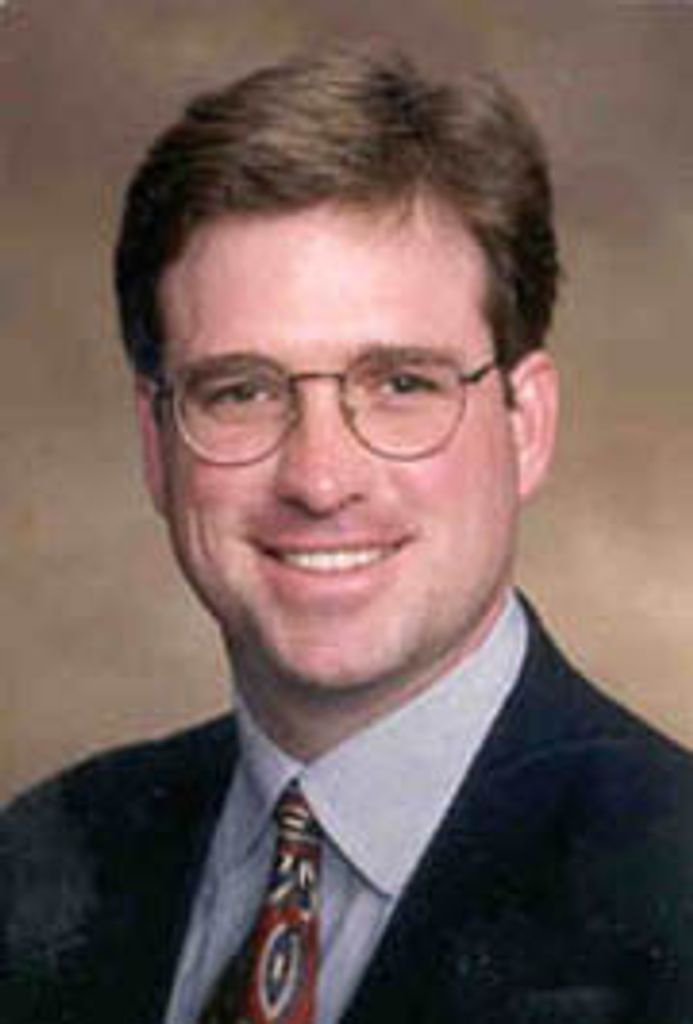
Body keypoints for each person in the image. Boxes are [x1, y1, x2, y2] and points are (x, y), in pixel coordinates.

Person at [2, 46, 693, 1024]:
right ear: (156, 446)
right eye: (240, 391)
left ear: (525, 425)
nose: (319, 480)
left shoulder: (672, 890)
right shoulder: (43, 859)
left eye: (401, 384)